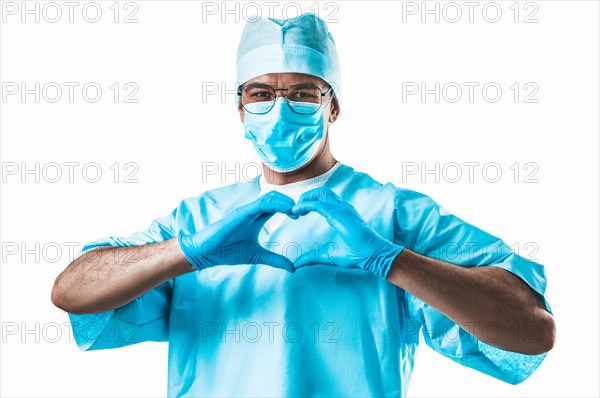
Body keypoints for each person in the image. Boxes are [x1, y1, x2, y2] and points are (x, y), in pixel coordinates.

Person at [52, 13, 555, 397]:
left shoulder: (392, 214)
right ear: (240, 109)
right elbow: (71, 291)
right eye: (261, 93)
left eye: (303, 93)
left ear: (332, 105)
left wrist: (393, 261)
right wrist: (187, 254)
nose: (280, 108)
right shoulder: (199, 219)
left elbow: (531, 329)